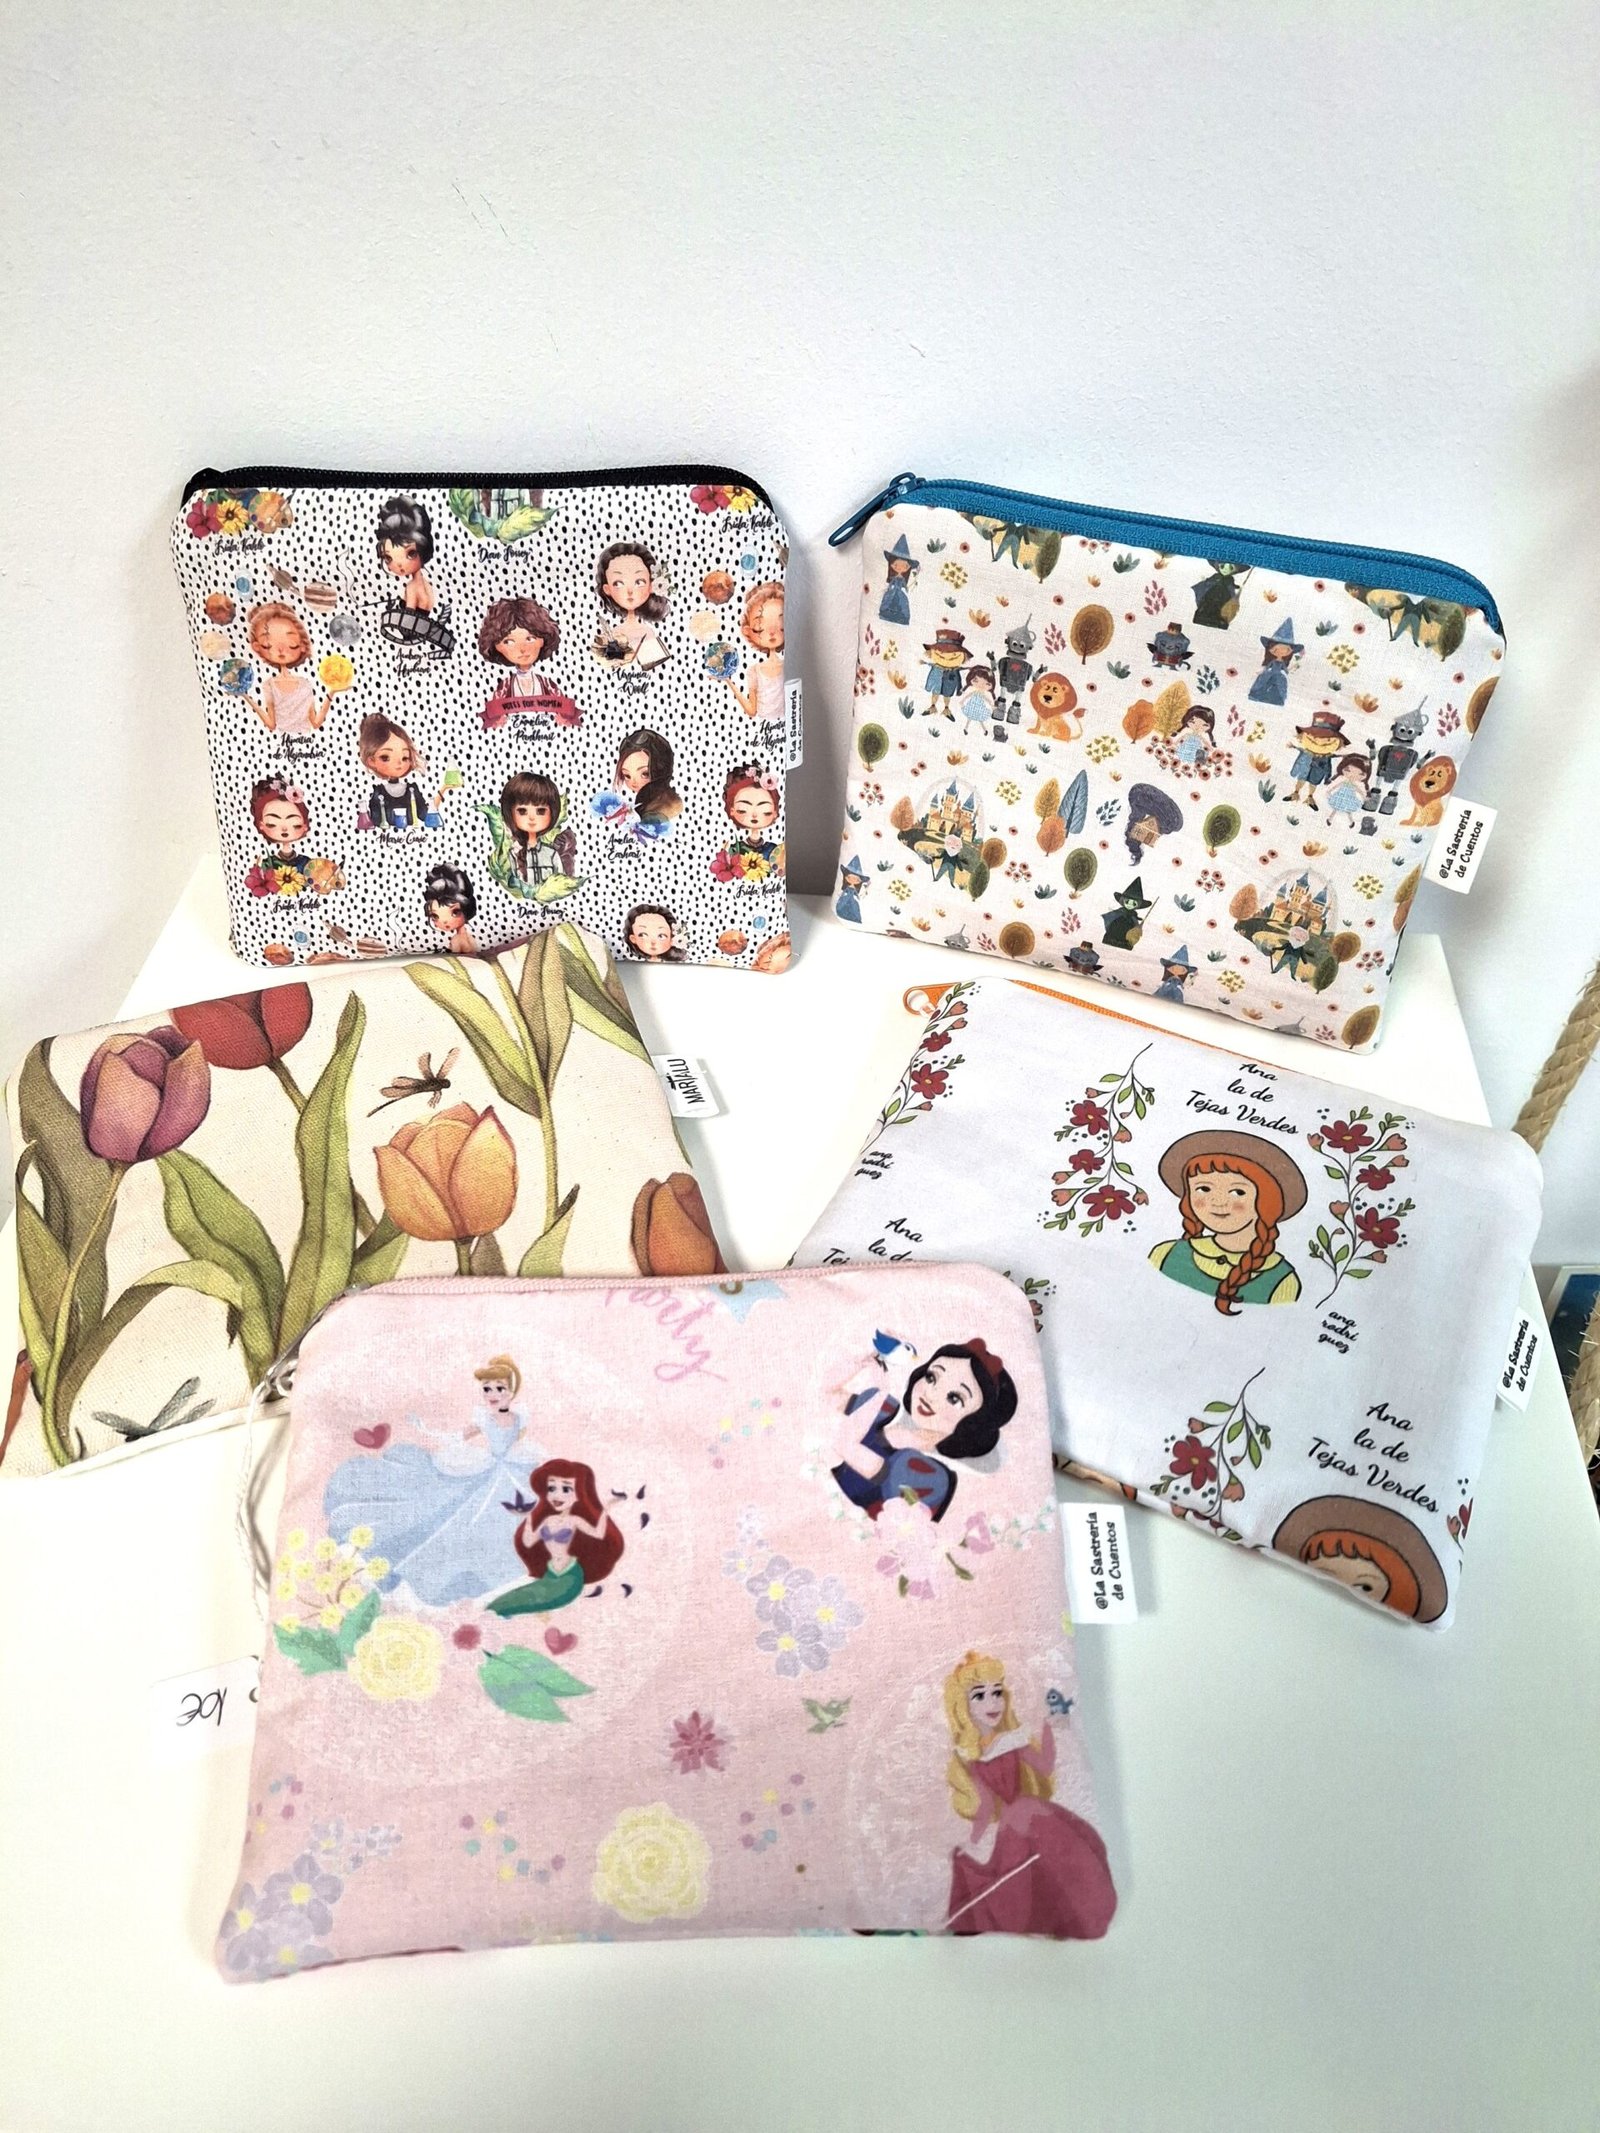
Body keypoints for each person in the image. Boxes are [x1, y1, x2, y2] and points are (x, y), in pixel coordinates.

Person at [321, 1358, 535, 1605]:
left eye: (500, 1388)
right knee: (454, 1507)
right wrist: (426, 1430)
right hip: (488, 1467)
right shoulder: (484, 1419)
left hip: (509, 1470)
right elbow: (459, 1436)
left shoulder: (518, 1417)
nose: (493, 1394)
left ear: (511, 1392)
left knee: (514, 1513)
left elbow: (517, 1441)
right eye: (487, 1388)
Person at [943, 1653, 1116, 1939]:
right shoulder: (969, 1755)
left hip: (1032, 1815)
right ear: (964, 1705)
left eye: (997, 1692)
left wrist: (1049, 1726)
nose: (992, 1703)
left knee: (1059, 1865)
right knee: (1025, 1882)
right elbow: (985, 1805)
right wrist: (974, 1841)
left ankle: (1068, 1919)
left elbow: (1045, 1765)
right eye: (980, 1696)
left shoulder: (1013, 1739)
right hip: (1013, 1826)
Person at [832, 1341, 1017, 1525]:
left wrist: (881, 1390)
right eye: (931, 1377)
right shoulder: (884, 1409)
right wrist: (865, 1358)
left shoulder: (930, 1477)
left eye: (954, 1398)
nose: (930, 1394)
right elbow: (829, 1396)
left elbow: (844, 1445)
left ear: (974, 1423)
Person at [1148, 1129, 1307, 1312]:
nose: (1218, 1202)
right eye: (1204, 1189)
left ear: (1266, 1202)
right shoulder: (1165, 1255)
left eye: (1238, 1192)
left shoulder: (1281, 1281)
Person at [486, 1458, 624, 1616]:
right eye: (552, 1488)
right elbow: (528, 1542)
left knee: (525, 1602)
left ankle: (496, 1613)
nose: (557, 1495)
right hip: (551, 1574)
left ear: (578, 1494)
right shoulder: (548, 1520)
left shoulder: (574, 1521)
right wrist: (528, 1518)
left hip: (569, 1577)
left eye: (566, 1489)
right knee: (507, 1601)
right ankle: (493, 1611)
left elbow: (598, 1533)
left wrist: (605, 1509)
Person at [477, 595, 564, 727]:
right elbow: (494, 721)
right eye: (509, 642)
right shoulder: (504, 688)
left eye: (530, 639)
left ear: (543, 640)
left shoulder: (548, 685)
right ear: (496, 646)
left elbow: (564, 713)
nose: (522, 649)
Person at [243, 603, 327, 733]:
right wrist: (246, 697)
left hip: (308, 741)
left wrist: (331, 694)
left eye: (291, 644)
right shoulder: (269, 685)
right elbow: (271, 725)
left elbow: (315, 723)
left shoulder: (305, 684)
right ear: (257, 647)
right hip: (280, 741)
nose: (281, 650)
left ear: (302, 645)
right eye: (268, 645)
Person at [590, 729, 682, 844]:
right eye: (627, 775)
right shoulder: (642, 802)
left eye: (645, 774)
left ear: (661, 769)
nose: (633, 782)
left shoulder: (668, 806)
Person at [592, 541, 670, 669]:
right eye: (618, 583)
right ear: (607, 589)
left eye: (639, 582)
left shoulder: (647, 632)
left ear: (651, 585)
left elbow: (653, 668)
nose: (629, 591)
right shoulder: (613, 633)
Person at [723, 581, 785, 723]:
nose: (772, 632)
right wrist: (728, 681)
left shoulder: (790, 665)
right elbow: (752, 710)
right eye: (760, 627)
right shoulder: (754, 672)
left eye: (780, 624)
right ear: (747, 631)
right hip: (762, 730)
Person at [425, 862, 478, 954]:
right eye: (435, 916)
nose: (445, 921)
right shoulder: (457, 939)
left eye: (455, 912)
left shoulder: (460, 939)